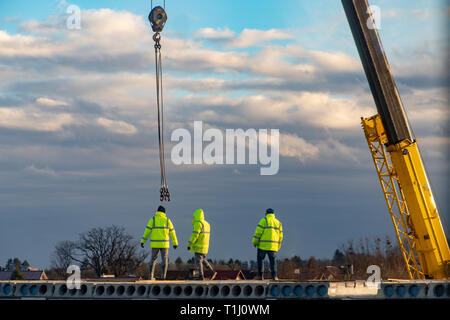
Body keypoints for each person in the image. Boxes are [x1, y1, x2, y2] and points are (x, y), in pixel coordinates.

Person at [141, 205, 178, 280]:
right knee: (165, 260)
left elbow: (147, 231)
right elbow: (172, 233)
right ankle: (163, 276)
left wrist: (143, 241)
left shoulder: (153, 219)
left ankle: (150, 276)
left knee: (153, 260)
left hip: (155, 244)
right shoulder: (167, 220)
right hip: (165, 244)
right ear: (164, 212)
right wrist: (175, 243)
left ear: (157, 211)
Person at [252, 208, 283, 280]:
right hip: (273, 246)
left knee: (260, 260)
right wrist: (278, 246)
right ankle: (274, 276)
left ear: (266, 213)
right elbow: (281, 236)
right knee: (273, 261)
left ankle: (260, 276)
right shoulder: (278, 223)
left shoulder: (263, 220)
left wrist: (255, 242)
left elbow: (258, 233)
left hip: (263, 246)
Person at [187, 208, 217, 280]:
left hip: (199, 245)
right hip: (205, 246)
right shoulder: (207, 224)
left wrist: (189, 244)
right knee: (202, 260)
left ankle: (201, 276)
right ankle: (212, 272)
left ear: (197, 216)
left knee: (198, 261)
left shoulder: (198, 223)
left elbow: (195, 235)